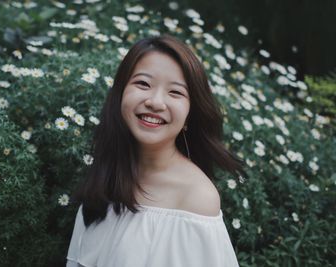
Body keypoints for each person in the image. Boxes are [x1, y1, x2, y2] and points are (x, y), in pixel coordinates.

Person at [66, 34, 245, 267]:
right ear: (120, 94)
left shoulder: (196, 198)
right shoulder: (108, 170)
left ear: (190, 114)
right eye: (143, 84)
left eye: (175, 92)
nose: (156, 102)